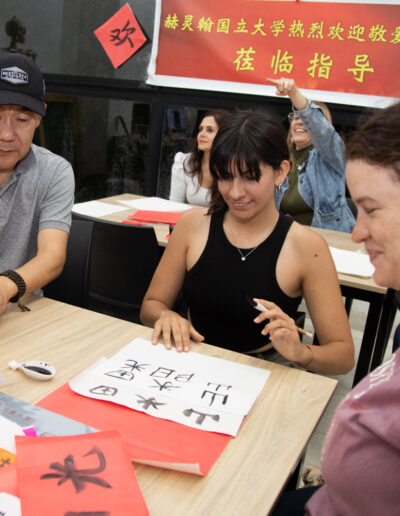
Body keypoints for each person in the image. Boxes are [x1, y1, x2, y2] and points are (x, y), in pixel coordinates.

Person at [141, 110, 354, 376]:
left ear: (280, 172)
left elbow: (343, 356)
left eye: (250, 177)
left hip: (265, 368)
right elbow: (151, 304)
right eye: (225, 176)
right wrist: (167, 316)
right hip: (191, 358)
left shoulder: (307, 247)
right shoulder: (192, 225)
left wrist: (302, 352)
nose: (235, 192)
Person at [273, 101, 400, 516]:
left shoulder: (325, 158)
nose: (358, 231)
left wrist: (299, 100)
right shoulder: (289, 166)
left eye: (372, 210)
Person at [0, 50, 75, 314]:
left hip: (19, 306)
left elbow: (52, 257)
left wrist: (6, 286)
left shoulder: (54, 172)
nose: (6, 134)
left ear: (39, 118)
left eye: (21, 120)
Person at [267, 77, 355, 233]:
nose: (299, 121)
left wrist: (294, 94)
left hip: (329, 239)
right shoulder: (282, 160)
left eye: (304, 119)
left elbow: (321, 131)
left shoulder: (331, 156)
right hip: (291, 238)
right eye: (295, 117)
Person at [169, 109, 231, 206]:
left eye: (209, 130)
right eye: (201, 129)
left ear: (225, 136)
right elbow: (174, 205)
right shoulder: (184, 162)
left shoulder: (234, 167)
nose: (202, 134)